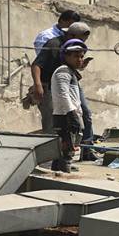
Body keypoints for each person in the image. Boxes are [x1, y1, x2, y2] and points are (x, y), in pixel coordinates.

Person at [31, 22, 95, 159]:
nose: (81, 42)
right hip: (49, 86)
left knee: (85, 114)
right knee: (53, 124)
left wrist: (81, 64)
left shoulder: (74, 48)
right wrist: (38, 85)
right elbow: (36, 64)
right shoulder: (54, 44)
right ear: (70, 35)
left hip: (71, 83)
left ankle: (87, 150)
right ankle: (50, 157)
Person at [50, 39, 88, 173]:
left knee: (70, 143)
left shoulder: (70, 71)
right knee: (67, 146)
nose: (80, 59)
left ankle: (60, 166)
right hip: (65, 114)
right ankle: (64, 171)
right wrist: (71, 113)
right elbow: (63, 94)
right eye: (76, 56)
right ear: (66, 56)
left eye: (81, 56)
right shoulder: (63, 71)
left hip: (71, 113)